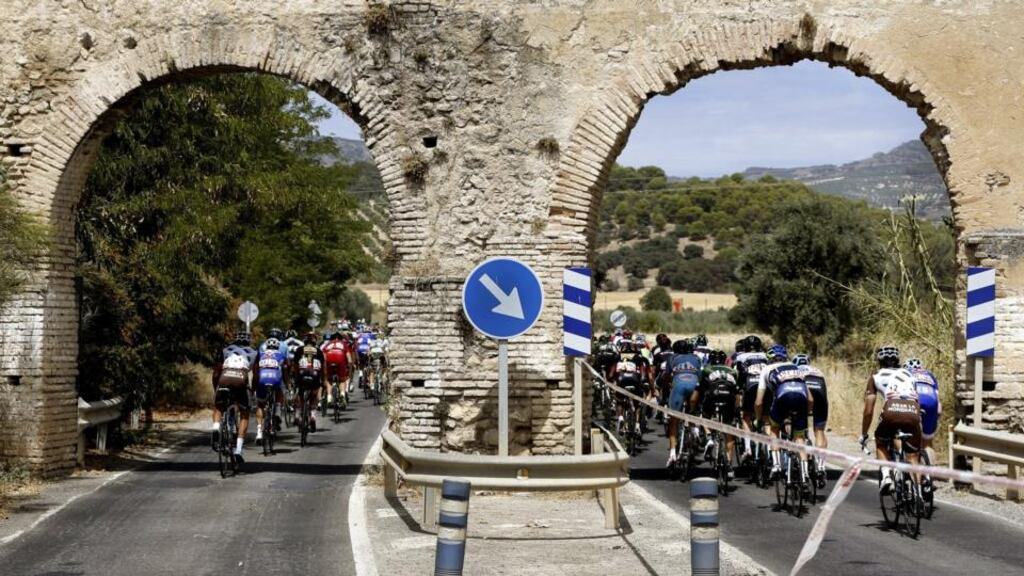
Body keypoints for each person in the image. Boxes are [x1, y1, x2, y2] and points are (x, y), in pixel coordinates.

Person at [860, 345, 922, 494]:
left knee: (880, 440)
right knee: (913, 454)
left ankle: (887, 475)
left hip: (892, 409)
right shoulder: (909, 374)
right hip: (913, 410)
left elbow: (869, 410)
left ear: (879, 361)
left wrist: (864, 434)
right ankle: (918, 492)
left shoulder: (875, 377)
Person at [755, 345, 813, 484]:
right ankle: (804, 475)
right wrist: (807, 413)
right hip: (801, 399)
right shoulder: (796, 367)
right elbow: (811, 399)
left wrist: (758, 419)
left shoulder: (766, 369)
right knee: (800, 438)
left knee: (774, 429)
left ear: (770, 359)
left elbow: (758, 402)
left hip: (782, 398)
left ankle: (776, 465)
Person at [699, 349, 741, 477]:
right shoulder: (733, 371)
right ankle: (728, 464)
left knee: (704, 416)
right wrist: (737, 409)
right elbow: (737, 392)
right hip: (729, 397)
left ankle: (709, 437)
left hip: (713, 395)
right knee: (729, 429)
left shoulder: (706, 369)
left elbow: (701, 388)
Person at [211, 346, 255, 463]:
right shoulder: (247, 360)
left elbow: (215, 375)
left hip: (224, 379)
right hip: (240, 381)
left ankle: (216, 428)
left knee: (218, 407)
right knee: (244, 414)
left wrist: (216, 390)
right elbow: (248, 383)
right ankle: (238, 450)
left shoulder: (226, 358)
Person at [665, 339, 702, 468]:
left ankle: (673, 454)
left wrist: (668, 385)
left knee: (673, 420)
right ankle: (694, 430)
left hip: (679, 385)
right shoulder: (696, 358)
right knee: (693, 412)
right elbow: (700, 374)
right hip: (694, 385)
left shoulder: (671, 358)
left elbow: (667, 376)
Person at [793, 353, 829, 485]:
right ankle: (821, 466)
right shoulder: (817, 370)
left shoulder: (794, 370)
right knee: (819, 431)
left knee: (799, 429)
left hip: (804, 393)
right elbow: (825, 391)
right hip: (820, 392)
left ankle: (803, 470)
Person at [736, 335, 768, 460]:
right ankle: (770, 452)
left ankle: (748, 448)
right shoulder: (765, 356)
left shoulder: (741, 357)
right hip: (765, 388)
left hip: (750, 386)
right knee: (766, 419)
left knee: (746, 416)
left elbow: (740, 375)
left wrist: (738, 388)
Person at [254, 337, 287, 444]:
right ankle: (277, 410)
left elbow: (255, 371)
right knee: (280, 391)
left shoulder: (260, 354)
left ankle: (259, 433)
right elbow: (287, 368)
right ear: (278, 346)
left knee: (260, 405)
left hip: (262, 379)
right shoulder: (281, 354)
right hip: (275, 379)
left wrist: (253, 386)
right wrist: (286, 381)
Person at [292, 331, 327, 432]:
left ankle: (298, 415)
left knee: (300, 394)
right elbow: (323, 368)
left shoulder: (299, 350)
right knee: (314, 396)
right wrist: (324, 380)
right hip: (314, 375)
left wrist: (295, 376)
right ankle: (312, 416)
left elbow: (295, 365)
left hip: (302, 375)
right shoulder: (319, 351)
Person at [322, 330, 355, 405]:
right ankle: (342, 394)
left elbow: (323, 358)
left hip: (329, 359)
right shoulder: (343, 344)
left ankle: (329, 397)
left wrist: (324, 370)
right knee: (342, 379)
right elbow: (349, 360)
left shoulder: (327, 344)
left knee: (329, 379)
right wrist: (349, 370)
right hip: (340, 359)